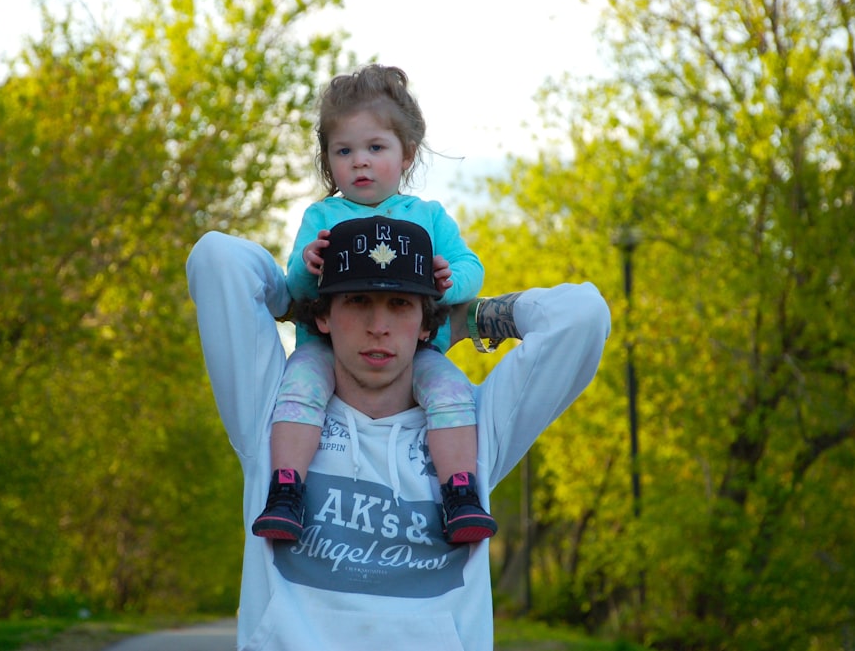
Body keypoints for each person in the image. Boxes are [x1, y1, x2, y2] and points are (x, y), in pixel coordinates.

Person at [186, 215, 611, 651]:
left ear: (426, 323)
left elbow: (582, 317)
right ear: (325, 315)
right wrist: (296, 298)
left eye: (401, 304)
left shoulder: (469, 433)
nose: (378, 325)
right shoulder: (274, 418)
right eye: (356, 300)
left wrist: (473, 317)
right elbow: (218, 258)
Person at [255, 64, 495, 545]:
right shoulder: (322, 216)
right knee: (298, 387)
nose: (359, 162)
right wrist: (308, 262)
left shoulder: (428, 218)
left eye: (375, 148)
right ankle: (286, 490)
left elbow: (472, 267)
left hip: (417, 353)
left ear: (406, 155)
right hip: (330, 349)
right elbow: (298, 287)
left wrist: (451, 282)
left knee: (451, 394)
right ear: (329, 161)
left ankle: (460, 493)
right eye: (344, 151)